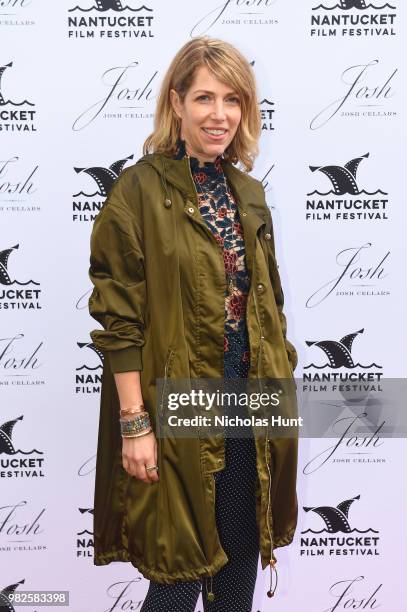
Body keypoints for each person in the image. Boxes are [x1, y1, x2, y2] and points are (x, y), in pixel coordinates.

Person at [88, 36, 298, 612]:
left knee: (237, 567)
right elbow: (118, 316)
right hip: (178, 397)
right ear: (176, 103)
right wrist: (135, 423)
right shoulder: (138, 189)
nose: (220, 114)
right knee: (179, 576)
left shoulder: (249, 195)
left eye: (234, 100)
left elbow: (268, 306)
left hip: (250, 397)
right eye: (204, 97)